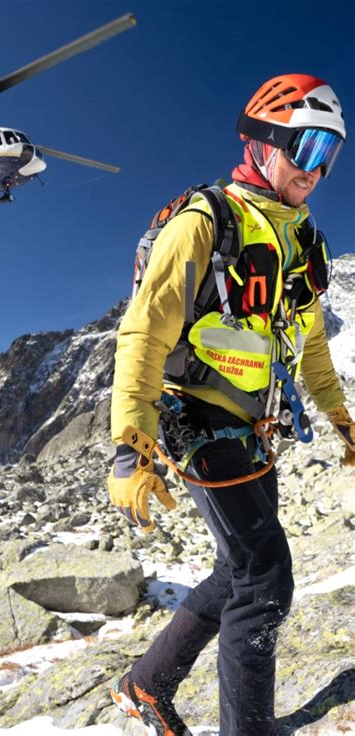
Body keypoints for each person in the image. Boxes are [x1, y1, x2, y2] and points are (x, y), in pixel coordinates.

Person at [107, 73, 355, 736]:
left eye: (330, 156)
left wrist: (341, 420)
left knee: (238, 565)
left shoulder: (300, 247)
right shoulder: (205, 221)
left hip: (253, 426)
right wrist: (129, 447)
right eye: (306, 149)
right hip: (194, 417)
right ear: (265, 142)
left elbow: (312, 350)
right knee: (266, 578)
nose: (318, 170)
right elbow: (145, 329)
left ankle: (146, 684)